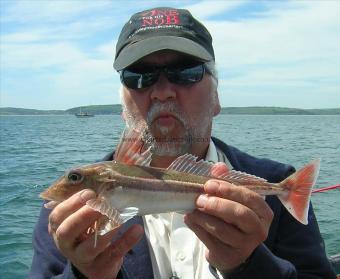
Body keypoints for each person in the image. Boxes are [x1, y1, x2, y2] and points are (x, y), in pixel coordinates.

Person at [30, 7, 336, 279]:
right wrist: (85, 275)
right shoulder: (68, 212)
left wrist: (248, 266)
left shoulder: (278, 184)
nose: (163, 92)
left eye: (185, 73)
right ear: (123, 105)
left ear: (216, 98)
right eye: (139, 76)